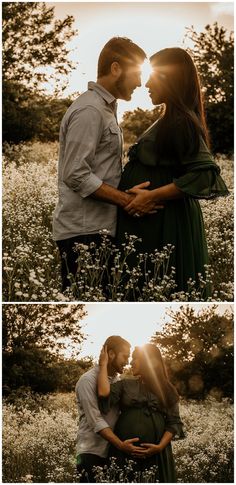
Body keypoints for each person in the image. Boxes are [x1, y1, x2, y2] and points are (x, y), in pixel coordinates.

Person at [116, 47, 229, 296]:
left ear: (171, 79)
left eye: (153, 75)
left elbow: (205, 175)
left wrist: (151, 196)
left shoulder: (181, 122)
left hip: (166, 223)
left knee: (164, 286)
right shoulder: (170, 119)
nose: (146, 84)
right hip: (154, 222)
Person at [53, 37, 158, 292]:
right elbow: (75, 174)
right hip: (83, 234)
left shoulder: (105, 108)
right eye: (136, 73)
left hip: (97, 231)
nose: (140, 82)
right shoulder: (90, 110)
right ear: (115, 68)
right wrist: (128, 201)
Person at [98, 343, 184, 483]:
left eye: (135, 358)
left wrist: (159, 447)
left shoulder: (168, 390)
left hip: (157, 454)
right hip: (124, 451)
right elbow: (103, 393)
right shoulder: (125, 384)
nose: (130, 363)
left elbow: (173, 423)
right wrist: (103, 364)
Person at [75, 335, 141, 482]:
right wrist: (121, 445)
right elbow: (95, 420)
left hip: (112, 452)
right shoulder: (87, 381)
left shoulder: (117, 381)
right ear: (111, 354)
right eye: (125, 356)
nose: (127, 361)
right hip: (91, 452)